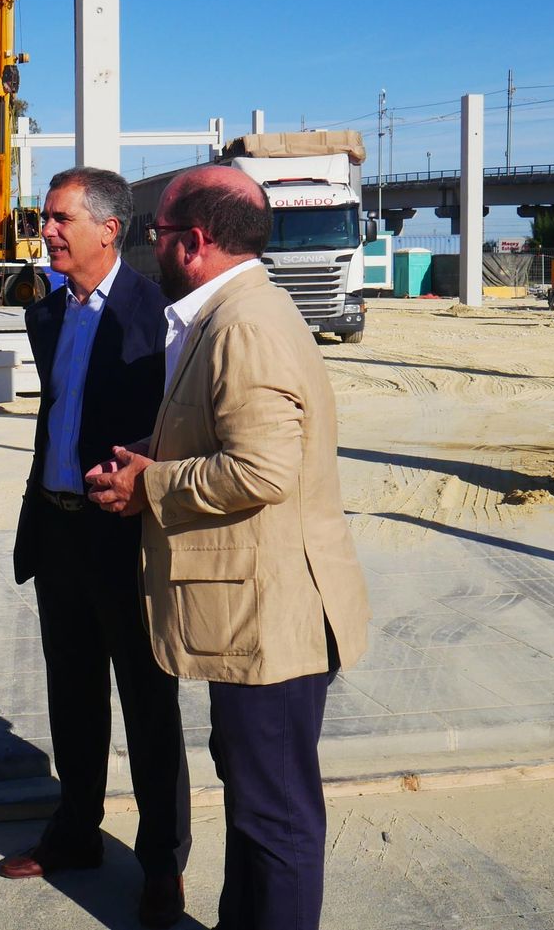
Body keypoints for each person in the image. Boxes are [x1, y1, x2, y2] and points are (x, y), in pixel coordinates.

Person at [87, 165, 371, 930]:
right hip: (254, 616)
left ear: (196, 242)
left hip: (271, 619)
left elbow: (262, 469)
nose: (154, 247)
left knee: (275, 821)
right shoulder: (240, 310)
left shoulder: (243, 324)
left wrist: (151, 484)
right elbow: (238, 436)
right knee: (256, 810)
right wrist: (158, 450)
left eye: (160, 233)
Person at [0, 167, 191, 929]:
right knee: (72, 696)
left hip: (125, 533)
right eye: (47, 217)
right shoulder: (46, 308)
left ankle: (162, 864)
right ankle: (75, 831)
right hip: (57, 528)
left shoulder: (160, 314)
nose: (46, 230)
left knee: (148, 704)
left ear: (109, 229)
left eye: (59, 219)